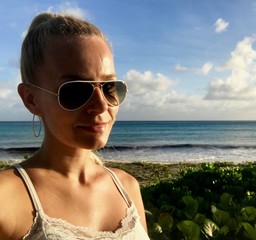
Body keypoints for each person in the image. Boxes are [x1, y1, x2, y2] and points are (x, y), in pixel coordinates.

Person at [0, 12, 150, 240]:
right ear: (31, 99)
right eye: (76, 90)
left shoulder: (127, 186)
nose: (100, 105)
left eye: (110, 87)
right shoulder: (6, 197)